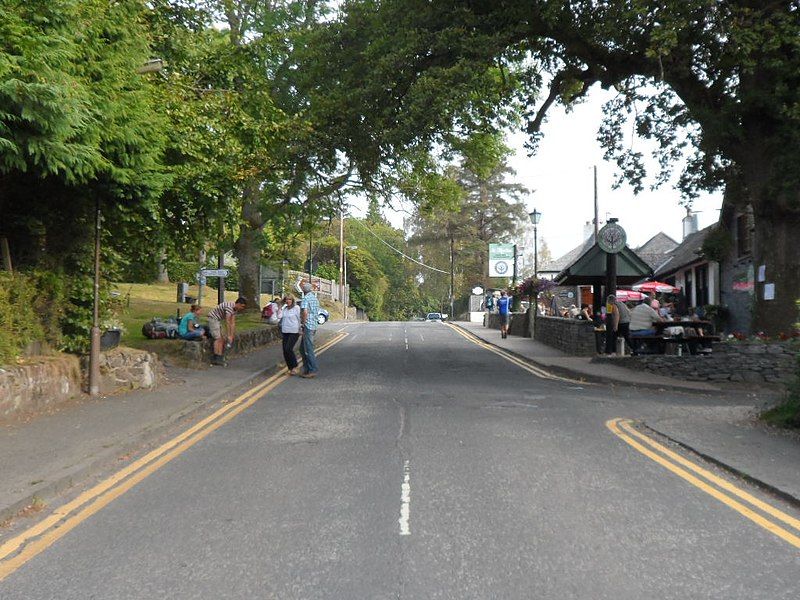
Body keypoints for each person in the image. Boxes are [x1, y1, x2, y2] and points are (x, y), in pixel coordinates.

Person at [207, 297, 247, 366]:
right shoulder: (229, 307)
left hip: (218, 320)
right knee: (218, 338)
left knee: (222, 339)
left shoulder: (235, 310)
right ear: (238, 304)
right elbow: (227, 321)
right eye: (242, 306)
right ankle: (215, 357)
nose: (242, 308)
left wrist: (231, 336)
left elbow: (233, 323)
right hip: (213, 319)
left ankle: (219, 356)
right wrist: (229, 335)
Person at [299, 282, 320, 378]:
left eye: (302, 288)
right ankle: (307, 369)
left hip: (308, 325)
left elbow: (305, 312)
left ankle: (312, 370)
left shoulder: (305, 298)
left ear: (304, 290)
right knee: (302, 349)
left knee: (308, 349)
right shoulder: (315, 298)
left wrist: (302, 323)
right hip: (314, 325)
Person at [279, 295, 301, 375]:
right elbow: (279, 317)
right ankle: (290, 368)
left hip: (294, 331)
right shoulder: (284, 309)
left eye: (289, 299)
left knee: (288, 348)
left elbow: (299, 318)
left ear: (292, 300)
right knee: (285, 350)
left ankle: (295, 366)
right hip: (285, 331)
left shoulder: (296, 308)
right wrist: (279, 307)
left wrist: (300, 328)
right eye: (286, 299)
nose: (288, 301)